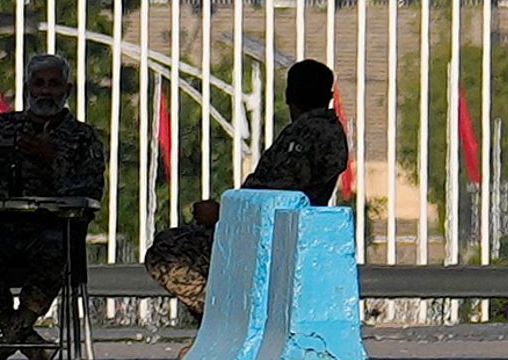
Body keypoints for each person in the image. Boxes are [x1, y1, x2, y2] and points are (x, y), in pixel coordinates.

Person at [144, 59, 353, 315]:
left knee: (166, 252)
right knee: (172, 241)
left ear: (289, 95)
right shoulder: (324, 131)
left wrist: (223, 214)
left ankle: (228, 316)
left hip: (264, 236)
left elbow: (279, 199)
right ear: (329, 96)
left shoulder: (308, 134)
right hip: (271, 232)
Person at [0, 53, 105, 360]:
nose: (46, 92)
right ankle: (19, 333)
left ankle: (7, 338)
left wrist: (51, 161)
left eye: (54, 85)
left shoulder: (83, 137)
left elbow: (89, 193)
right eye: (39, 84)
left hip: (51, 229)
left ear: (67, 90)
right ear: (28, 88)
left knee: (55, 249)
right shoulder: (0, 128)